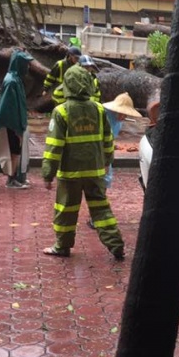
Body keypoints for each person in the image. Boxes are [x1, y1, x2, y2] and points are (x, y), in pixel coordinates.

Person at [41, 64, 125, 259]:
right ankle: (116, 246)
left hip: (70, 174)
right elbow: (107, 140)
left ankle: (62, 247)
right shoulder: (99, 109)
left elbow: (54, 147)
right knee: (101, 210)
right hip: (95, 172)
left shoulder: (61, 111)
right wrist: (106, 162)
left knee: (66, 211)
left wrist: (48, 174)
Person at [0, 50, 34, 187]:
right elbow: (10, 108)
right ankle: (12, 179)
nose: (28, 67)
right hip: (12, 125)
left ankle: (16, 177)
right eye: (26, 64)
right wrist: (17, 128)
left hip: (15, 123)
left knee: (16, 151)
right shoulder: (12, 82)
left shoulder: (14, 79)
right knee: (14, 151)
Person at [101, 92, 142, 189]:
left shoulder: (118, 122)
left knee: (105, 180)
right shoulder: (104, 115)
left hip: (107, 152)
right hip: (99, 152)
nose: (123, 117)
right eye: (122, 114)